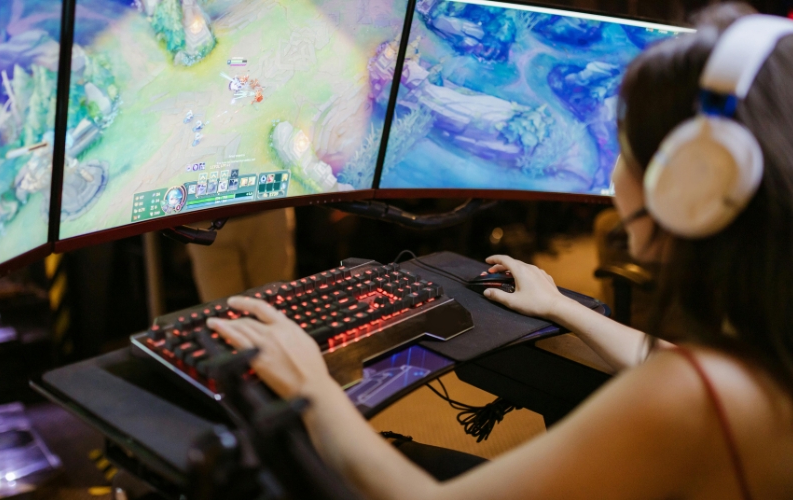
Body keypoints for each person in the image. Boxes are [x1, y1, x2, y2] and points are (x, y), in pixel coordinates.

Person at [207, 6, 793, 499]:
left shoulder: (695, 397)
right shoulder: (757, 358)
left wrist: (311, 389)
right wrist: (563, 308)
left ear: (696, 185)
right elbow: (666, 362)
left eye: (628, 148)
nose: (613, 170)